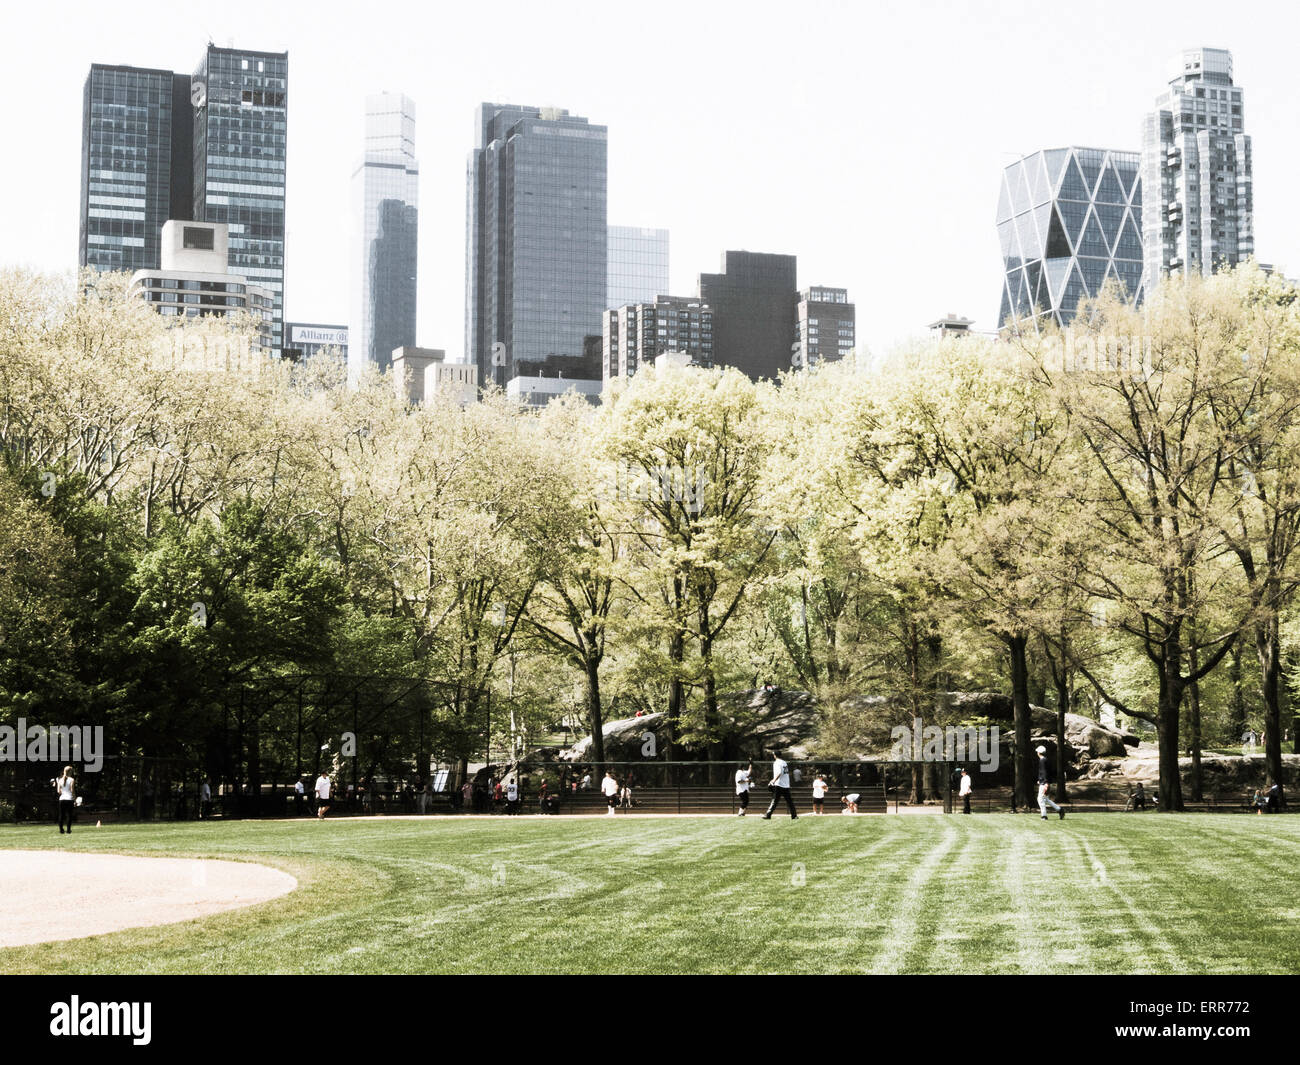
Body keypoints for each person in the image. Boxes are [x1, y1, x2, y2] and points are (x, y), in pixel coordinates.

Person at [762, 750, 798, 820]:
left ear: (775, 755)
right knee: (789, 802)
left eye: (773, 754)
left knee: (774, 801)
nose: (773, 756)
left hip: (779, 785)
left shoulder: (776, 763)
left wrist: (773, 781)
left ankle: (768, 815)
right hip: (786, 785)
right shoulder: (784, 762)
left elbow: (779, 773)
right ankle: (794, 816)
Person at [1036, 745, 1063, 821]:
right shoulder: (1045, 760)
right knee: (1045, 799)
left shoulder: (1042, 760)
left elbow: (1044, 772)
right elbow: (1046, 772)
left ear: (1039, 753)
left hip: (1044, 783)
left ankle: (1044, 816)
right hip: (1044, 781)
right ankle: (1059, 809)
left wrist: (1045, 782)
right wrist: (1041, 779)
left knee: (1040, 799)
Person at [54, 766, 76, 834]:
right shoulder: (72, 779)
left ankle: (61, 830)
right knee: (69, 815)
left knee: (61, 815)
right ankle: (68, 830)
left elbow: (58, 791)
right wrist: (74, 799)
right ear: (70, 772)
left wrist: (63, 792)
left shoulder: (60, 780)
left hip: (62, 799)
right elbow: (72, 790)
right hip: (69, 799)